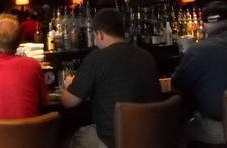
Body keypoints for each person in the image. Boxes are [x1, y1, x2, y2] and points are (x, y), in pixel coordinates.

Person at [61, 8, 160, 148]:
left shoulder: (97, 58)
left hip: (113, 141)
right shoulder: (147, 56)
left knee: (71, 138)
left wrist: (69, 86)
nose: (95, 42)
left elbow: (69, 102)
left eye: (95, 36)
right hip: (150, 138)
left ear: (100, 34)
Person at [171, 1, 227, 145]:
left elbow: (177, 85)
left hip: (220, 129)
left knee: (175, 131)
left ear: (204, 25)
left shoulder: (196, 51)